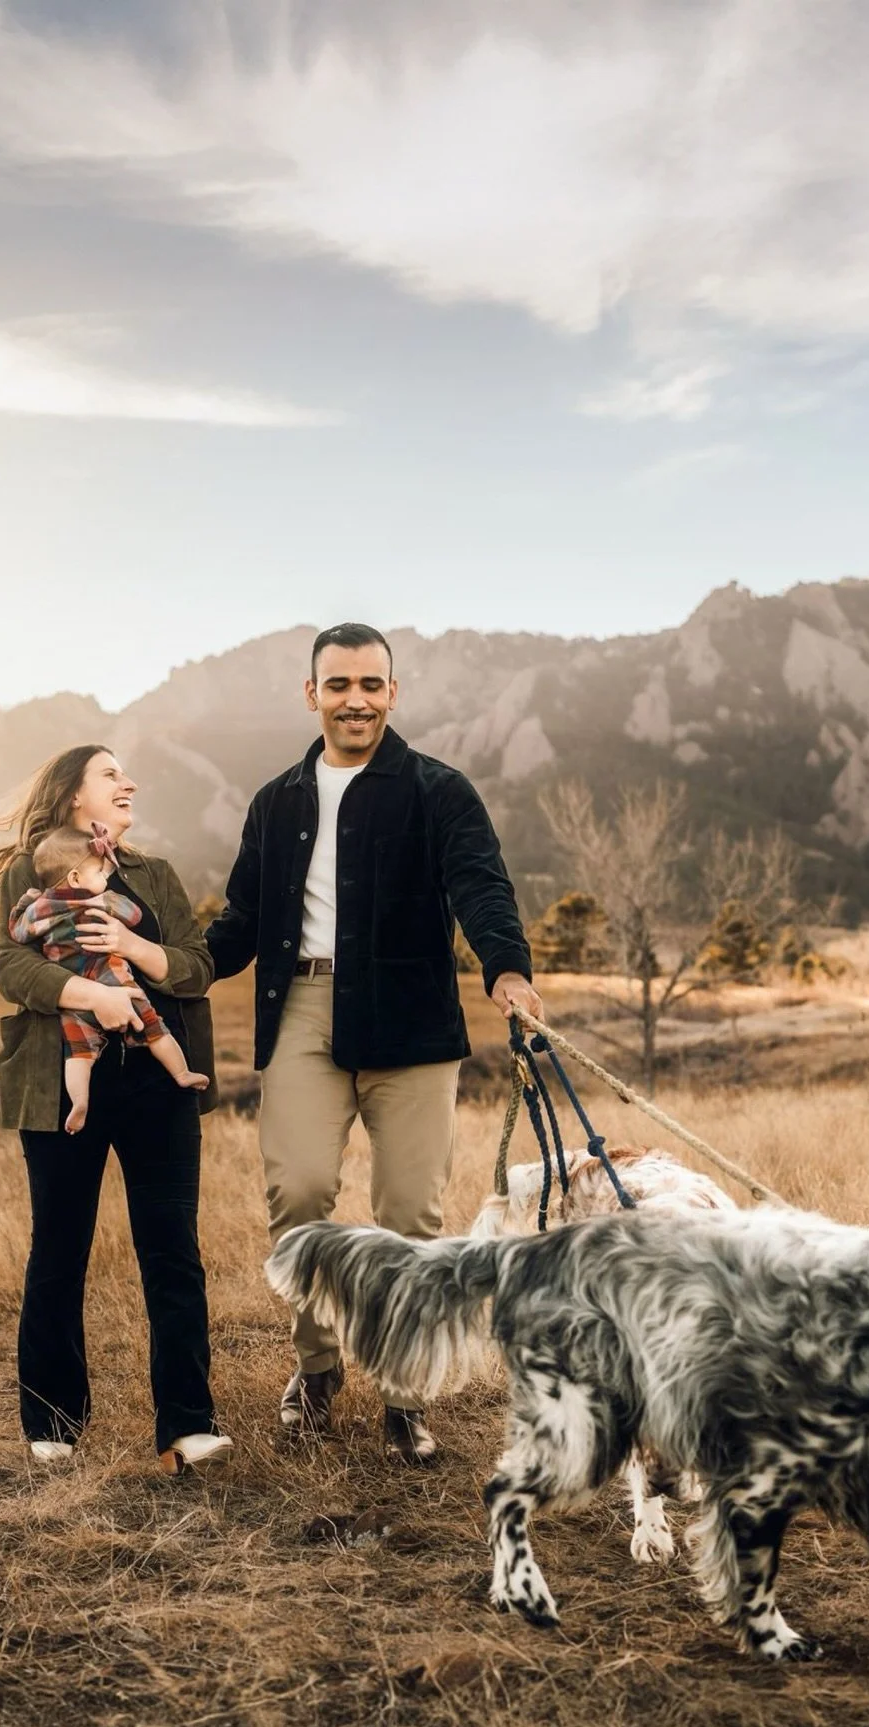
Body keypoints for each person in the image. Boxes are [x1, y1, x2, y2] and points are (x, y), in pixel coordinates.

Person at [206, 622, 542, 1465]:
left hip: (412, 1021)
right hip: (305, 1013)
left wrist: (506, 967)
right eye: (338, 684)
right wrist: (170, 968)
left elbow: (479, 883)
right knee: (300, 1194)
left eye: (370, 684)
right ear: (311, 692)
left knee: (410, 1216)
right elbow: (241, 922)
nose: (355, 699)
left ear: (394, 692)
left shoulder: (439, 789)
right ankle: (316, 1371)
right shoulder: (276, 800)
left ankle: (403, 1395)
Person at [0, 745, 231, 1474]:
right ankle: (53, 1423)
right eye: (112, 775)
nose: (130, 783)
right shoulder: (31, 871)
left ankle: (188, 1424)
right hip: (63, 1081)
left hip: (157, 1081)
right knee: (59, 1247)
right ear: (73, 797)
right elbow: (9, 965)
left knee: (171, 1250)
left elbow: (197, 965)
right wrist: (96, 996)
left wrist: (132, 947)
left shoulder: (154, 876)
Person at [8, 823, 210, 1133]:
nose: (105, 878)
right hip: (115, 983)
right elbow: (135, 916)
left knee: (78, 1055)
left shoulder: (42, 908)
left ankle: (79, 1102)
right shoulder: (103, 901)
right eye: (101, 872)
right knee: (155, 1031)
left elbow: (19, 932)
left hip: (72, 1000)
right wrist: (114, 905)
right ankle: (181, 1073)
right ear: (76, 877)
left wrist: (25, 903)